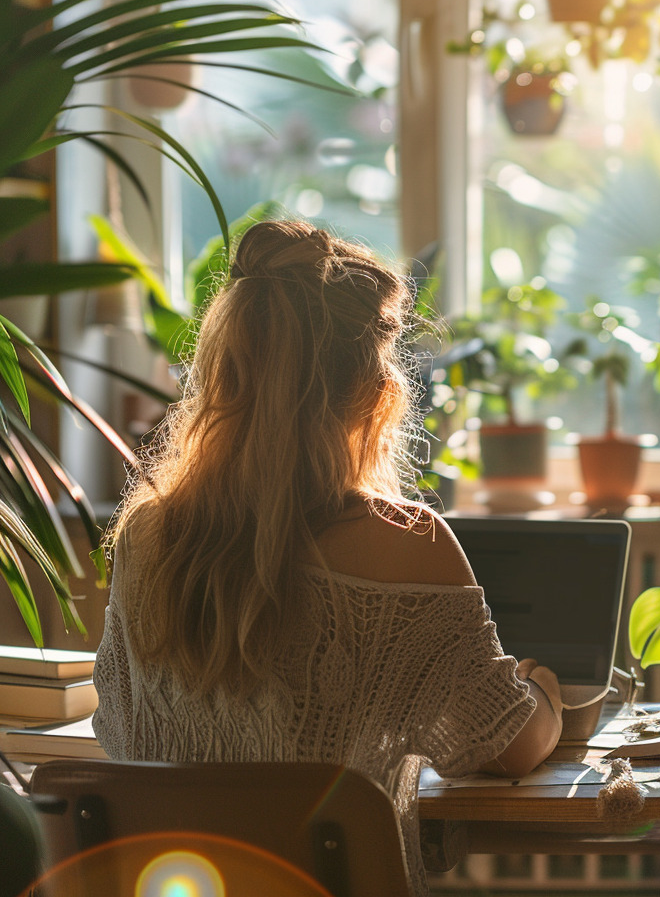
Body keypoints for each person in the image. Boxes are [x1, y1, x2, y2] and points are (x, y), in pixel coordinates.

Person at [92, 221, 562, 895]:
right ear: (375, 393)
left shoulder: (146, 537)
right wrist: (543, 691)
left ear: (227, 374)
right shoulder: (409, 543)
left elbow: (117, 728)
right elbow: (507, 741)